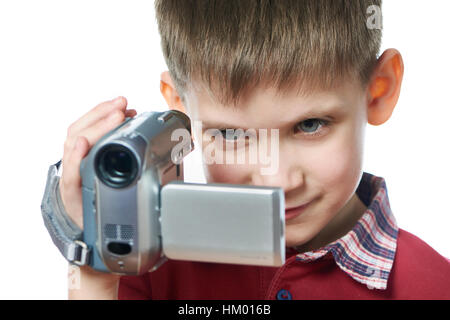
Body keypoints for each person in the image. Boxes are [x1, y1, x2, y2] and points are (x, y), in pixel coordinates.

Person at [59, 0, 450, 299]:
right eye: (231, 134)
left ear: (379, 91)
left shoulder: (434, 286)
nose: (276, 179)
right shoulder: (143, 266)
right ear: (180, 110)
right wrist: (96, 264)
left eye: (310, 125)